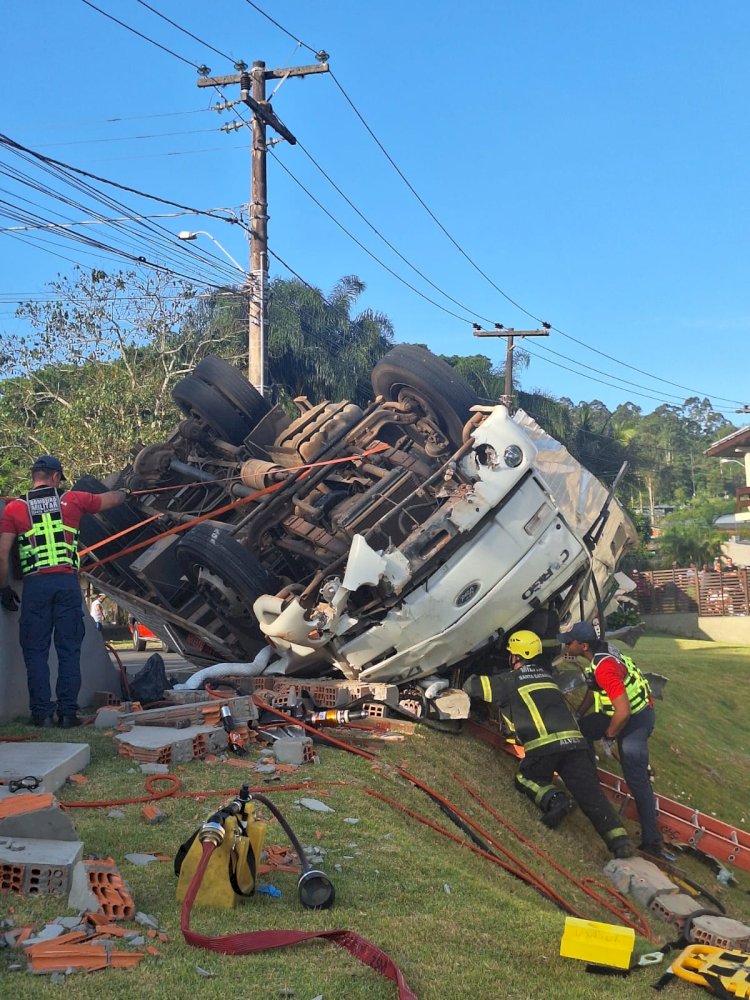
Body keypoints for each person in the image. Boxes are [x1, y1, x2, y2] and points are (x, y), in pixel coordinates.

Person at [463, 630, 635, 859]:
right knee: (591, 794)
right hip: (576, 744)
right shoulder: (548, 678)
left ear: (515, 656)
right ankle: (620, 841)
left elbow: (472, 687)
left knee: (526, 777)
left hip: (544, 748)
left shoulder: (507, 681)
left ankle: (556, 800)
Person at [0, 456, 130, 727]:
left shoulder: (14, 508)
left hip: (35, 586)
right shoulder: (72, 500)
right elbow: (109, 500)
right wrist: (126, 492)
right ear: (56, 477)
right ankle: (68, 714)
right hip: (66, 584)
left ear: (34, 476)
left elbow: (2, 555)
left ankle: (41, 714)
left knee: (35, 652)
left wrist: (4, 588)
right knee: (69, 650)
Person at [557, 621, 671, 861]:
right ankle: (589, 779)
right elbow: (594, 687)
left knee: (636, 779)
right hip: (618, 714)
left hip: (636, 720)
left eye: (570, 642)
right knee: (581, 731)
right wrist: (578, 715)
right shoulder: (599, 653)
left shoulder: (605, 668)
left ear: (584, 646)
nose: (567, 646)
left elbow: (623, 712)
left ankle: (652, 842)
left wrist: (609, 736)